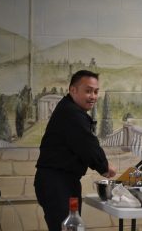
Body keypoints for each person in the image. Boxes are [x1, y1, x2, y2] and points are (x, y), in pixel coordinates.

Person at [34, 70, 116, 231]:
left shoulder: (69, 109)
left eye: (96, 91)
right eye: (88, 91)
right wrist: (104, 167)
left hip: (61, 181)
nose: (93, 96)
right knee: (67, 228)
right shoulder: (72, 113)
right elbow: (87, 144)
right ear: (73, 90)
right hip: (56, 183)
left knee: (71, 227)